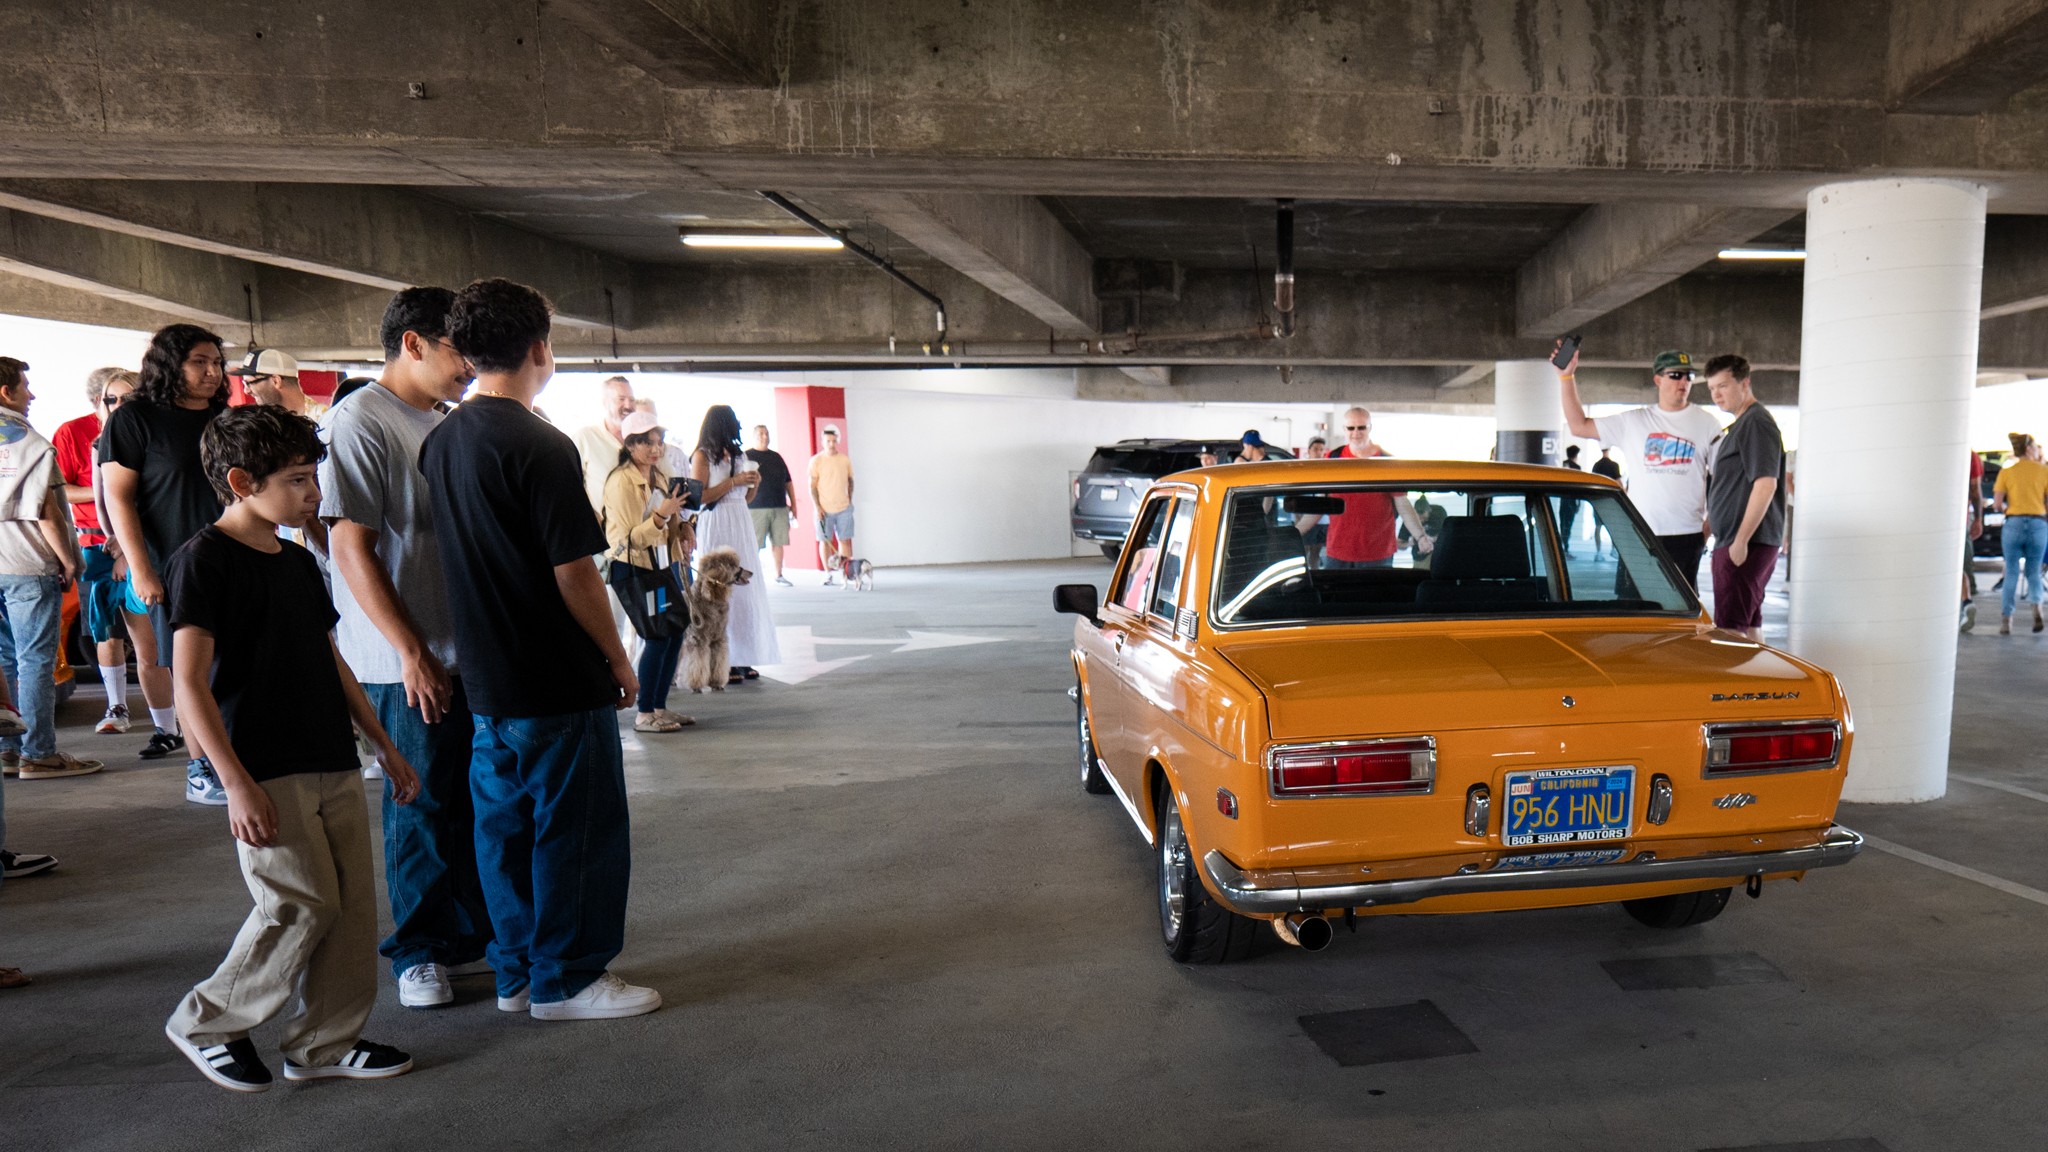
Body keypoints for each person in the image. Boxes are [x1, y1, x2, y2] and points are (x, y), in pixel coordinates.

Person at [419, 277, 660, 1021]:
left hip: (486, 675)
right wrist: (618, 657)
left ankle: (518, 974)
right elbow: (574, 572)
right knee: (576, 829)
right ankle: (569, 978)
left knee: (504, 831)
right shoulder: (540, 444)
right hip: (554, 672)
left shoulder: (441, 440)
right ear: (539, 349)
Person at [163, 404, 421, 1092]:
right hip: (262, 764)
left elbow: (331, 660)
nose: (314, 493)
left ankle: (324, 1043)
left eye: (314, 477)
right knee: (300, 902)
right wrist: (232, 782)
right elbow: (188, 682)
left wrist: (382, 744)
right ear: (242, 481)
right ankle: (206, 1020)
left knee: (351, 908)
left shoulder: (300, 562)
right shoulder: (203, 561)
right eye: (298, 480)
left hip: (331, 754)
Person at [320, 287, 496, 1011]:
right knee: (419, 803)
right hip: (402, 661)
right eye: (460, 351)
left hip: (463, 649)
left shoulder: (446, 420)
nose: (472, 366)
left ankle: (467, 941)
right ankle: (418, 953)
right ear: (413, 343)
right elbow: (348, 546)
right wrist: (411, 651)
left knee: (472, 802)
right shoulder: (361, 419)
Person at [100, 324, 227, 802]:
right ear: (170, 364)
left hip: (231, 557)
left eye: (217, 363)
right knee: (190, 672)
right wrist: (141, 568)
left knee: (232, 666)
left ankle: (235, 758)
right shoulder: (134, 419)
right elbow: (119, 498)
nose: (212, 372)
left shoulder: (220, 417)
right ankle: (200, 769)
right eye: (200, 362)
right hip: (172, 565)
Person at [0, 359, 97, 782]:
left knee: (4, 659)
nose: (32, 395)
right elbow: (45, 511)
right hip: (27, 564)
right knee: (35, 661)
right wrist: (68, 559)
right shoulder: (29, 442)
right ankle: (39, 754)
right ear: (5, 392)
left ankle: (8, 750)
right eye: (25, 386)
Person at [1558, 346, 1722, 587]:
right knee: (1633, 604)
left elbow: (1723, 482)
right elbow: (1578, 425)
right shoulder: (1634, 421)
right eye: (1675, 375)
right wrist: (1566, 377)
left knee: (1681, 609)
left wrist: (1707, 530)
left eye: (1689, 376)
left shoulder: (1707, 424)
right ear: (1658, 379)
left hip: (1687, 536)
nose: (1684, 382)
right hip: (1640, 535)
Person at [54, 367, 135, 735]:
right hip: (95, 543)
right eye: (110, 398)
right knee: (106, 630)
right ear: (96, 401)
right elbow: (61, 490)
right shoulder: (74, 433)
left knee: (150, 632)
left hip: (139, 541)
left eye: (126, 397)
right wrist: (107, 490)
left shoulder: (144, 430)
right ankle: (116, 706)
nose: (117, 404)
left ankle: (169, 714)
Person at [604, 411, 696, 730]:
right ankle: (645, 713)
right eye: (647, 443)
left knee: (675, 630)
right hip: (633, 569)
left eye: (659, 442)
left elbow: (672, 518)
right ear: (630, 445)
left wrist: (684, 526)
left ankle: (659, 706)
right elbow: (626, 539)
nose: (656, 449)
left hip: (659, 566)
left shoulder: (659, 476)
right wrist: (661, 516)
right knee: (657, 636)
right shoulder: (621, 481)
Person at [693, 405, 781, 676]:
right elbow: (700, 497)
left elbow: (745, 498)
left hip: (740, 519)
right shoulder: (702, 455)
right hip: (716, 521)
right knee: (719, 587)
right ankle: (721, 659)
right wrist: (734, 481)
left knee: (744, 589)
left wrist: (753, 483)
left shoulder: (739, 455)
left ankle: (744, 655)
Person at [1703, 355, 1786, 642]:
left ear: (1745, 383)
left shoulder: (1756, 422)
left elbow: (1765, 485)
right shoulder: (1743, 424)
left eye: (1723, 386)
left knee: (1730, 634)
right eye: (1712, 388)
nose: (1716, 394)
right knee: (1748, 627)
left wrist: (1740, 541)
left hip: (1745, 543)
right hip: (1739, 541)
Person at [1291, 407, 1434, 567]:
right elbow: (1319, 505)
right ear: (1344, 429)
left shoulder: (1387, 462)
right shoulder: (1333, 459)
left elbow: (1403, 505)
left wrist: (1421, 537)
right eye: (1351, 428)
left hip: (1378, 554)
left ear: (1370, 428)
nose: (1356, 433)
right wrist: (1293, 534)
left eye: (1361, 427)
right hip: (1338, 552)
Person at [1994, 431, 2048, 635]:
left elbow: (1997, 503)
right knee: (2034, 572)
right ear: (2028, 448)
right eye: (2035, 446)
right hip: (2038, 524)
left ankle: (2006, 620)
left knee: (2011, 572)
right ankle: (2037, 608)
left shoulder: (2007, 472)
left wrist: (2008, 510)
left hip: (2014, 524)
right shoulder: (2043, 471)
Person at [745, 424, 796, 586]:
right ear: (754, 436)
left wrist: (793, 504)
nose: (765, 436)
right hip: (756, 507)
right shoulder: (746, 456)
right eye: (761, 434)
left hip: (779, 506)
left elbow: (788, 482)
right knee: (755, 543)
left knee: (779, 542)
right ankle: (752, 575)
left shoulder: (777, 457)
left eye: (766, 433)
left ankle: (779, 574)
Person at [808, 424, 856, 584]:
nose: (831, 444)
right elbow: (812, 486)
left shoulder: (844, 460)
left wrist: (849, 500)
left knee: (845, 540)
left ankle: (846, 572)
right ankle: (828, 573)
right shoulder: (816, 461)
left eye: (834, 441)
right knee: (825, 541)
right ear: (822, 441)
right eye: (828, 441)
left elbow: (850, 481)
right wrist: (817, 507)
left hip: (843, 507)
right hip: (824, 508)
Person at [229, 348, 306, 414]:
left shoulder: (313, 419)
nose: (246, 391)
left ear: (276, 381)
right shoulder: (267, 421)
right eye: (244, 384)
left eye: (249, 383)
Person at [1590, 447, 1623, 556]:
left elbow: (1592, 481)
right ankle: (1613, 550)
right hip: (1610, 500)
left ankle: (1598, 552)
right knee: (1613, 527)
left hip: (1598, 500)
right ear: (1609, 450)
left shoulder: (1596, 465)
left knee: (1598, 527)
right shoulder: (1614, 465)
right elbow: (1619, 483)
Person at [1558, 445, 1584, 556]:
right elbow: (1578, 487)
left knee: (1562, 523)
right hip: (1572, 500)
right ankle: (1565, 549)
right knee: (1568, 525)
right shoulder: (1577, 468)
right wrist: (1579, 503)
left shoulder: (1564, 465)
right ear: (1576, 455)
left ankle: (1562, 547)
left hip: (1563, 499)